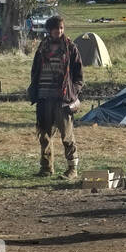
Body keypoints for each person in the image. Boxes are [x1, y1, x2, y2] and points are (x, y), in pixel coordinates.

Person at [29, 15, 84, 178]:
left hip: (63, 100)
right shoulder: (42, 47)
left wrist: (73, 93)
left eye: (61, 28)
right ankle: (46, 168)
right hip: (44, 98)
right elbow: (35, 71)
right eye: (55, 29)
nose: (58, 31)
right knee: (44, 135)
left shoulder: (71, 48)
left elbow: (79, 77)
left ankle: (72, 169)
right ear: (49, 30)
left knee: (67, 136)